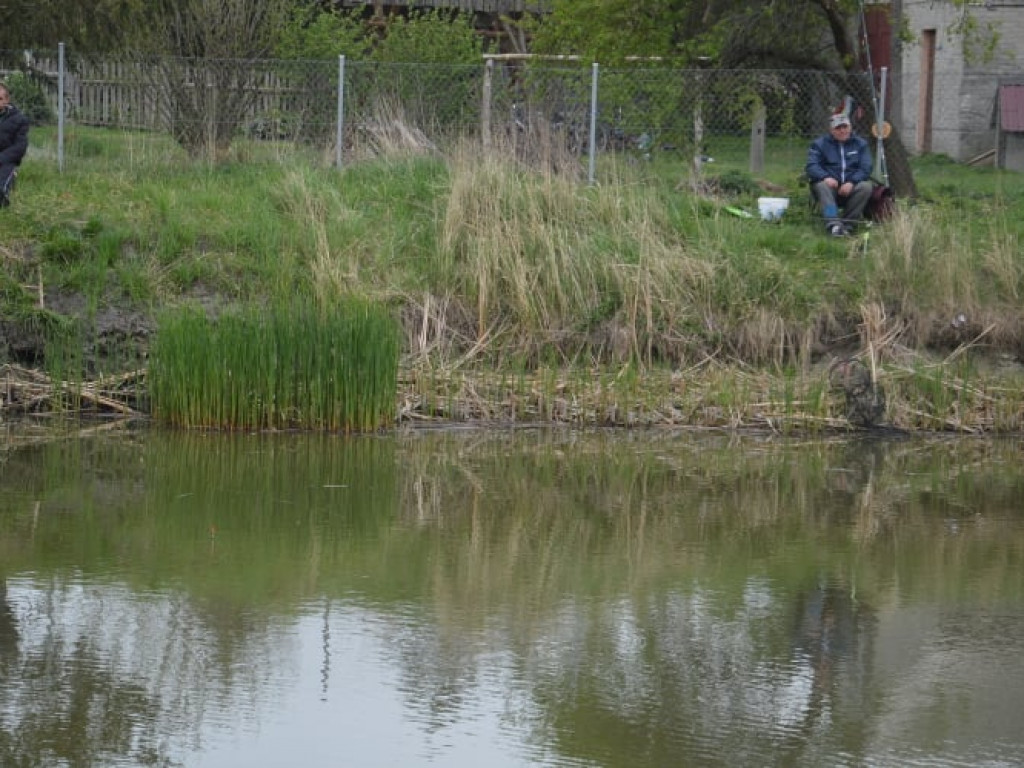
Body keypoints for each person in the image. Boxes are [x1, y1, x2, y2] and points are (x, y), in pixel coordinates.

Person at [806, 112, 874, 237]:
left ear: (850, 127)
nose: (843, 131)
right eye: (838, 128)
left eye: (845, 127)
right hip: (829, 188)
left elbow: (866, 167)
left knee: (866, 186)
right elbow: (811, 166)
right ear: (831, 130)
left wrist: (852, 182)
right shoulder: (819, 144)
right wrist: (825, 177)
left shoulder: (861, 144)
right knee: (822, 186)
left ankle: (848, 224)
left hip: (851, 188)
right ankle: (833, 224)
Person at [0, 82, 30, 208]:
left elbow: (20, 146)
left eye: (0, 99)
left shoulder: (19, 120)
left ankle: (3, 198)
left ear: (7, 100)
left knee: (3, 180)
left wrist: (2, 158)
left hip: (6, 161)